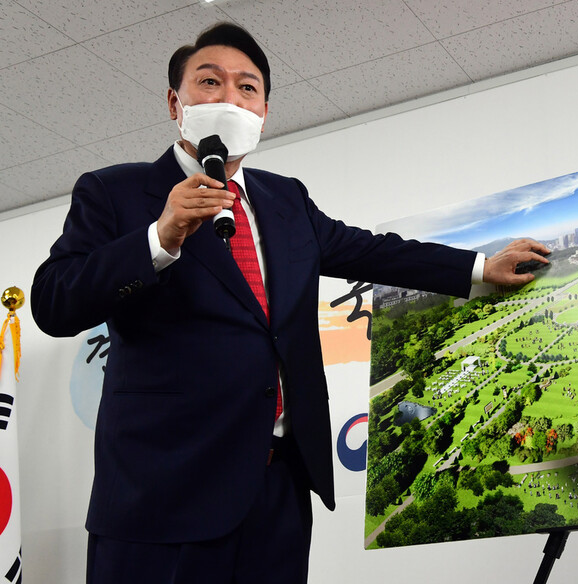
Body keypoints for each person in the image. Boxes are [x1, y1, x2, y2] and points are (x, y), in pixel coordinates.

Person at [31, 22, 549, 584]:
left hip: (277, 489)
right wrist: (160, 238)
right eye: (210, 81)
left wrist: (479, 268)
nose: (229, 97)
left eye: (247, 88)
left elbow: (372, 253)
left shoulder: (286, 199)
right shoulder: (114, 191)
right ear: (175, 102)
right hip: (163, 495)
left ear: (264, 113)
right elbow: (54, 301)